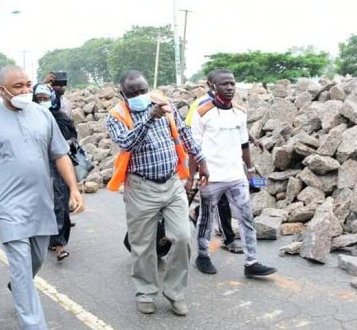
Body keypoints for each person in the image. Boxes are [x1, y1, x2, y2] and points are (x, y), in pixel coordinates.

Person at [0, 65, 84, 330]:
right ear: (2, 90)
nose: (26, 90)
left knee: (35, 260)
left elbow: (60, 154)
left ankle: (18, 284)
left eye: (28, 84)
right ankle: (33, 324)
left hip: (40, 203)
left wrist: (74, 188)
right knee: (21, 265)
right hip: (6, 207)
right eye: (18, 86)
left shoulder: (42, 115)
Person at [106, 70, 208, 316]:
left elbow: (182, 131)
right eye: (133, 93)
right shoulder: (117, 115)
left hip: (172, 183)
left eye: (143, 90)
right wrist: (149, 118)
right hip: (141, 187)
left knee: (182, 237)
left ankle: (175, 293)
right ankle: (145, 292)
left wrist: (200, 158)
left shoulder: (163, 102)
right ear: (123, 94)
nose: (140, 95)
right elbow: (127, 143)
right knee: (142, 246)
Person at [189, 68, 277, 278]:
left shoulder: (240, 111)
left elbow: (244, 143)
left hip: (236, 176)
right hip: (211, 178)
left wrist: (249, 170)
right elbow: (192, 148)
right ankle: (202, 256)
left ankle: (251, 262)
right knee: (206, 219)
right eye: (224, 84)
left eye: (232, 84)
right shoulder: (201, 113)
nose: (230, 88)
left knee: (247, 218)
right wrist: (192, 176)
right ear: (212, 86)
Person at [33, 84, 77, 261]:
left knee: (60, 204)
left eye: (46, 98)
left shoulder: (61, 118)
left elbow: (74, 136)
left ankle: (59, 244)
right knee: (42, 204)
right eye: (39, 99)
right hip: (37, 167)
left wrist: (65, 143)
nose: (43, 101)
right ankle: (44, 238)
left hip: (59, 166)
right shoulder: (29, 120)